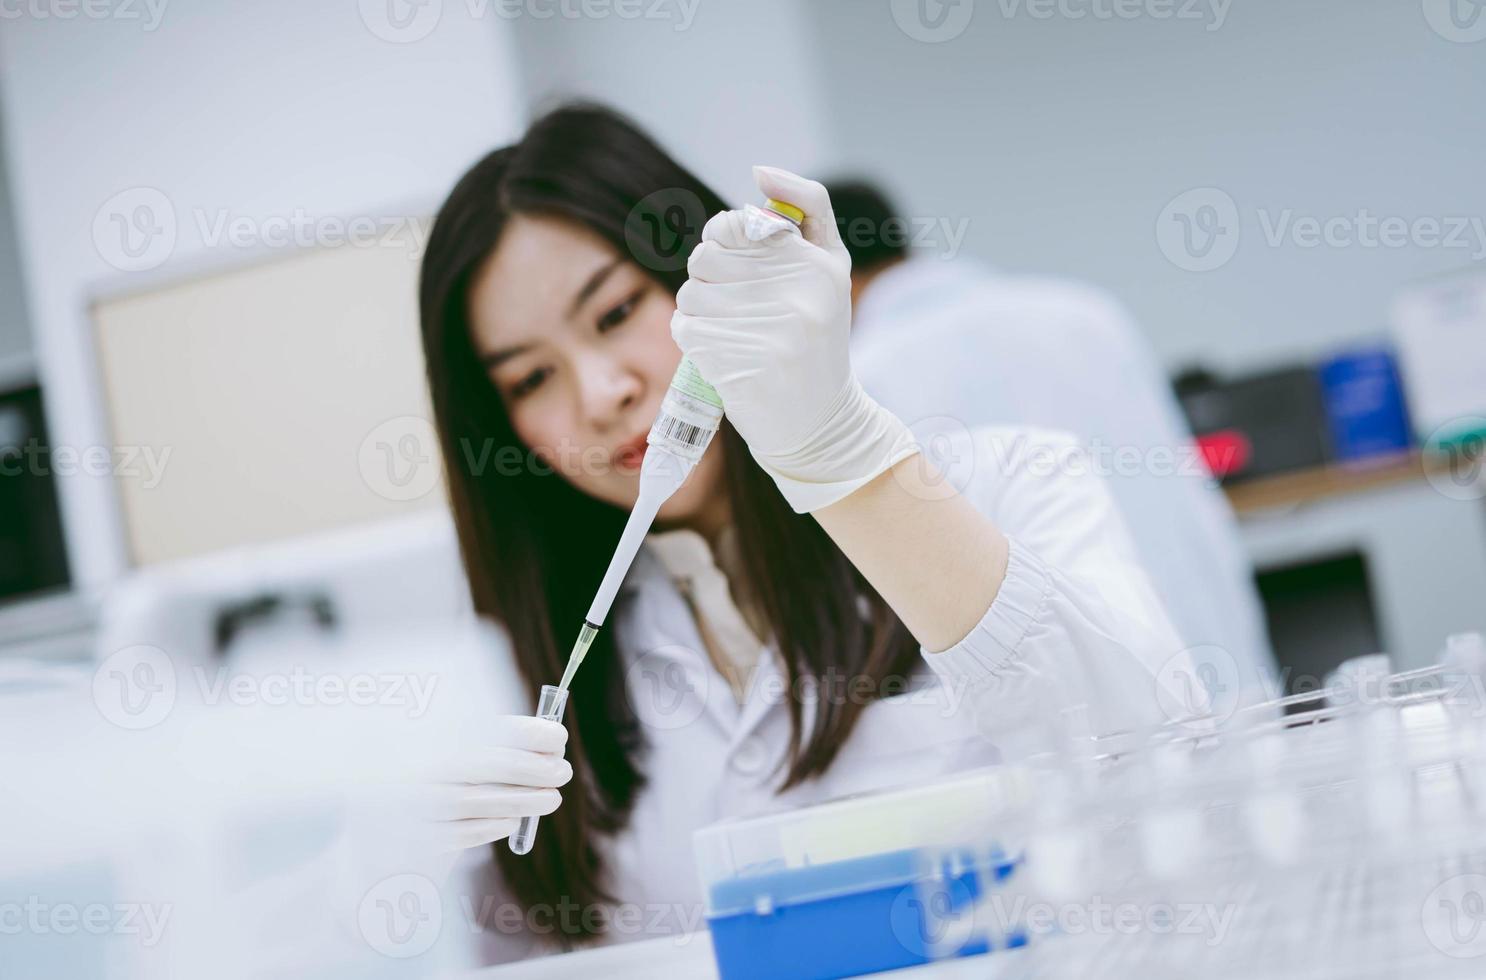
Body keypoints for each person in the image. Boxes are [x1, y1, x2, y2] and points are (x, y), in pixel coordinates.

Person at [416, 104, 1194, 960]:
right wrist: (397, 847)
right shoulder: (538, 667)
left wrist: (841, 454)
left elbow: (1155, 760)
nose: (600, 392)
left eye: (613, 314)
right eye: (530, 378)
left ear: (705, 282)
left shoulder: (1009, 483)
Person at [827, 179, 1277, 704]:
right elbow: (1187, 503)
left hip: (1068, 709)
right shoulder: (1085, 313)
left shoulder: (865, 374)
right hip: (1205, 649)